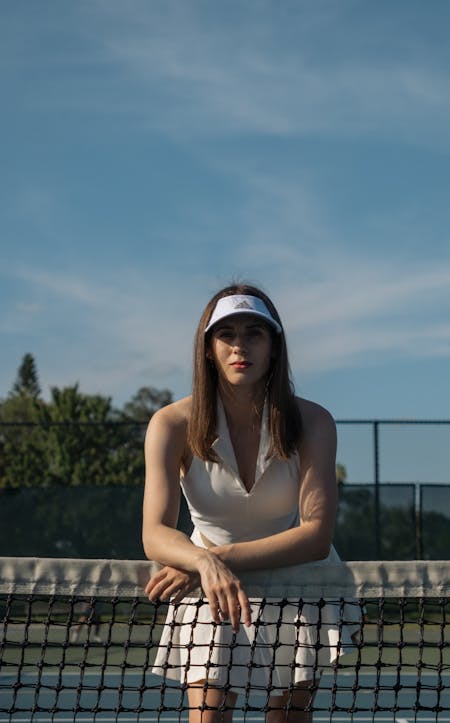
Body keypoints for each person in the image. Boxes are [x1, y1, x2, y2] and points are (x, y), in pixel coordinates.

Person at [143, 284, 357, 722]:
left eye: (255, 333)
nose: (240, 346)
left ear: (274, 347)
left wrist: (215, 560)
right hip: (207, 587)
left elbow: (316, 536)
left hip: (297, 582)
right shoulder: (170, 424)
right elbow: (155, 533)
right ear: (208, 349)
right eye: (227, 334)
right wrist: (204, 566)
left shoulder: (314, 422)